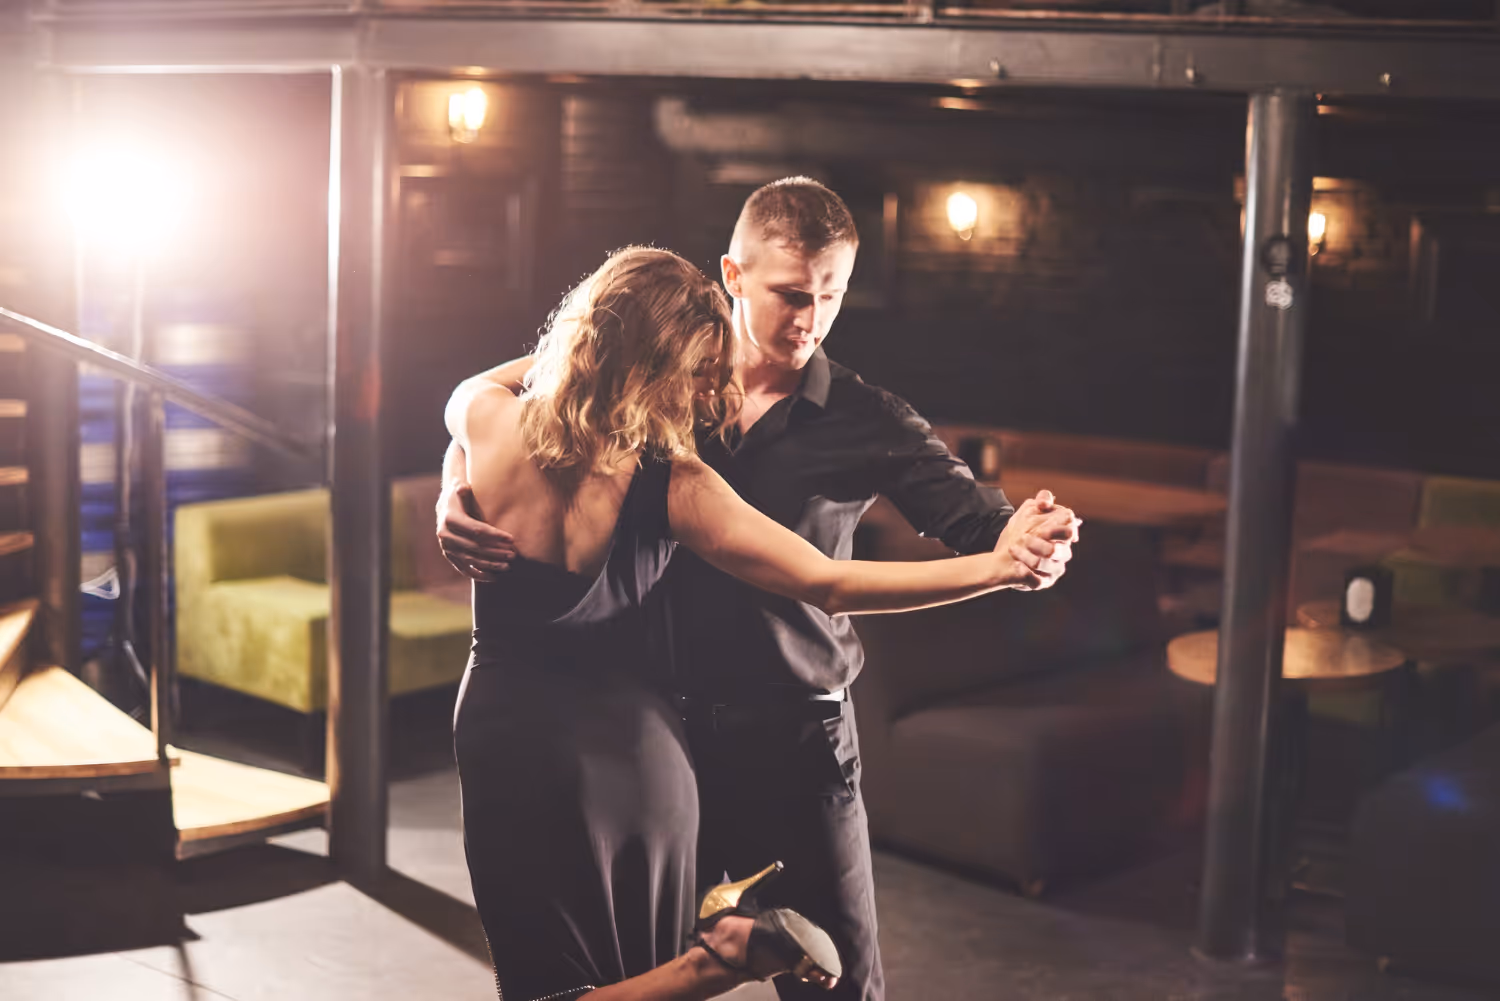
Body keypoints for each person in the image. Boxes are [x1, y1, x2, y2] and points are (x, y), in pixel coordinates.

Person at [442, 188, 1079, 1001]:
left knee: (831, 987)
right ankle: (724, 957)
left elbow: (951, 533)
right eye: (791, 293)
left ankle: (727, 956)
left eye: (832, 294)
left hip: (790, 736)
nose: (811, 317)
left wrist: (1018, 544)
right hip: (662, 725)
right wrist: (450, 491)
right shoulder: (671, 392)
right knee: (632, 971)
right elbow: (496, 400)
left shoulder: (863, 418)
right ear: (734, 277)